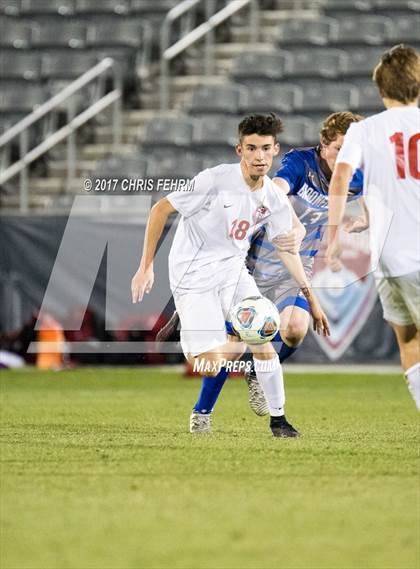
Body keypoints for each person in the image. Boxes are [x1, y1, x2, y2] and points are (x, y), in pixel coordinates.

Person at [132, 113, 330, 437]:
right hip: (192, 275)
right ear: (239, 150)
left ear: (275, 149)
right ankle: (221, 342)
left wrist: (311, 298)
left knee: (264, 332)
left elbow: (286, 250)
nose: (259, 156)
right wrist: (145, 267)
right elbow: (160, 209)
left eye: (266, 148)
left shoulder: (273, 197)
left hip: (232, 269)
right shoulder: (213, 181)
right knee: (211, 363)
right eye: (251, 148)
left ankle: (279, 421)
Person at [159, 112, 365, 421]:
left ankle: (259, 376)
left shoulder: (355, 175)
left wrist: (365, 218)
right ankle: (202, 412)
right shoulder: (301, 163)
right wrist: (290, 220)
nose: (346, 157)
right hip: (256, 259)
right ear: (324, 145)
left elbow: (377, 194)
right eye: (340, 148)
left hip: (297, 261)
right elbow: (277, 188)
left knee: (294, 330)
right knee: (234, 344)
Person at [327, 44, 420, 410]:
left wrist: (333, 239)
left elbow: (341, 180)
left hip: (388, 261)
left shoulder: (364, 131)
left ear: (381, 90)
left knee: (410, 343)